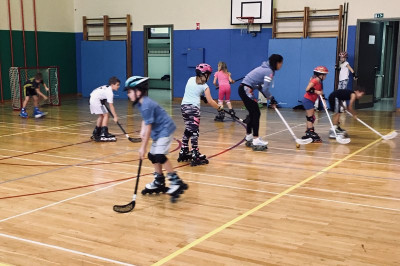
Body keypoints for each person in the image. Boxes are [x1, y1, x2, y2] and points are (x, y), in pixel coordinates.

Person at [125, 76, 188, 202]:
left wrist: (142, 147)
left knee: (159, 156)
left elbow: (149, 127)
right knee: (152, 156)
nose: (128, 95)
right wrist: (142, 129)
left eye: (129, 92)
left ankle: (176, 182)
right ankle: (159, 180)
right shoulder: (141, 103)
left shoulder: (146, 104)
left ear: (138, 91)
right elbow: (146, 120)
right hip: (158, 132)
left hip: (165, 130)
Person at [178, 63, 223, 166]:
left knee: (188, 129)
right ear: (204, 75)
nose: (209, 77)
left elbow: (193, 91)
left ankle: (184, 149)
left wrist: (201, 97)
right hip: (194, 109)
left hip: (184, 107)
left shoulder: (190, 79)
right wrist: (219, 108)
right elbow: (211, 101)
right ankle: (195, 153)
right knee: (195, 131)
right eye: (209, 75)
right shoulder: (205, 86)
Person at [239, 54, 283, 150]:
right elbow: (265, 88)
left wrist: (270, 98)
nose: (281, 66)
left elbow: (260, 87)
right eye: (281, 63)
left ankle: (249, 136)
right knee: (256, 113)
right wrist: (270, 98)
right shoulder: (269, 71)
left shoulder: (265, 68)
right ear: (277, 63)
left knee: (252, 113)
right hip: (246, 89)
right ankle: (255, 139)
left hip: (244, 89)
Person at [301, 66, 329, 142]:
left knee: (312, 117)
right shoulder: (315, 80)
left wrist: (324, 103)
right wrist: (316, 92)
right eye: (325, 75)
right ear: (321, 75)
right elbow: (307, 89)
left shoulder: (320, 83)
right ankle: (310, 132)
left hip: (311, 101)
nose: (326, 76)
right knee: (310, 118)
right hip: (307, 100)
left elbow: (321, 94)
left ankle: (308, 132)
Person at [89, 77, 120, 142]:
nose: (118, 86)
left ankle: (96, 132)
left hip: (94, 99)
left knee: (101, 115)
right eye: (117, 85)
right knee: (106, 115)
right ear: (112, 85)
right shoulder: (110, 92)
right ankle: (103, 133)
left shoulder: (107, 87)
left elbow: (98, 93)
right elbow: (111, 106)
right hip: (96, 100)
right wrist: (115, 116)